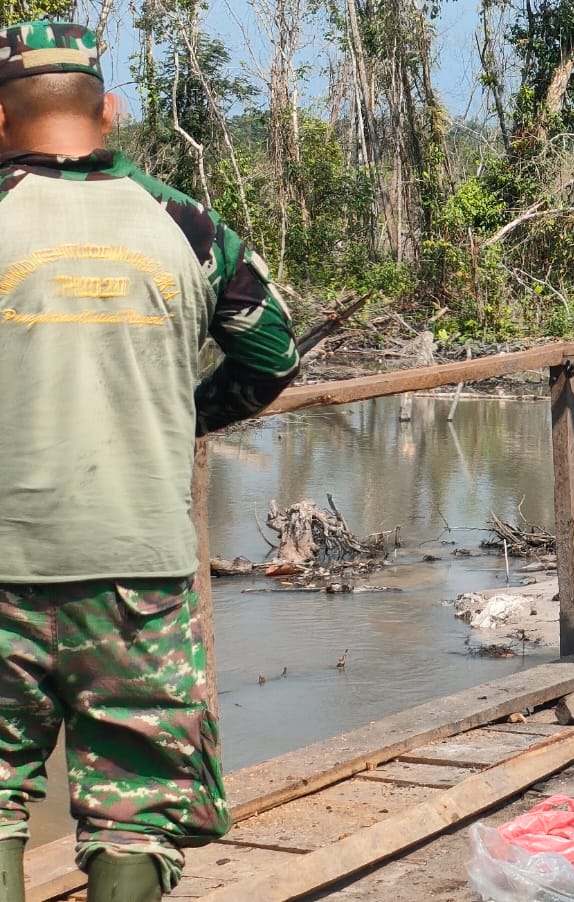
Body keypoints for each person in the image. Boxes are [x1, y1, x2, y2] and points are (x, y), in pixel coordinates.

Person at [0, 21, 300, 900]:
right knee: (134, 805)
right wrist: (183, 420)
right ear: (110, 108)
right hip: (139, 568)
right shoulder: (190, 229)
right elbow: (272, 359)